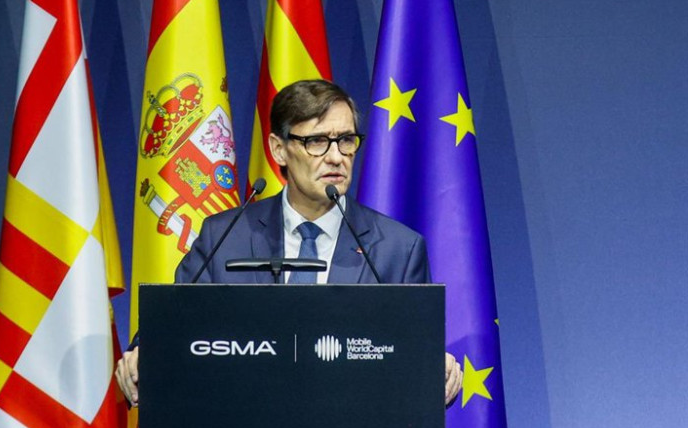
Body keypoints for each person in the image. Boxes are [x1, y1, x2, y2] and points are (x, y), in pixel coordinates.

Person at [116, 79, 462, 407]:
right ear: (279, 149)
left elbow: (414, 351)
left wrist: (437, 367)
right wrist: (143, 354)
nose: (336, 156)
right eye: (316, 142)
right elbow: (171, 329)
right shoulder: (225, 237)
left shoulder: (396, 249)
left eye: (346, 140)